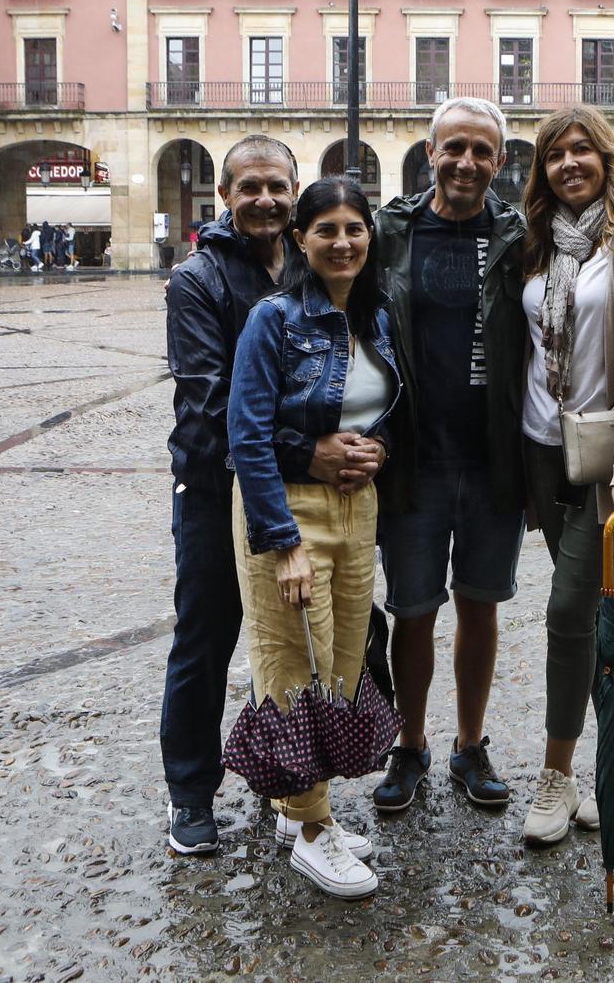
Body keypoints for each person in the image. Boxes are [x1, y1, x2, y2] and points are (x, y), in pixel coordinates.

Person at [228, 176, 398, 899]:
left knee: (339, 664)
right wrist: (283, 541)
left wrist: (378, 448)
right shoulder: (273, 318)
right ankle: (311, 828)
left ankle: (298, 807)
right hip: (289, 510)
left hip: (359, 511)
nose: (342, 240)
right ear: (299, 239)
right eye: (325, 228)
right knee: (292, 661)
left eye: (354, 227)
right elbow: (246, 432)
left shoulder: (374, 316)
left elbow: (379, 408)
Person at [370, 97, 529, 816]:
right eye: (453, 148)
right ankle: (410, 743)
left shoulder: (518, 235)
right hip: (414, 456)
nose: (467, 162)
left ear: (499, 162)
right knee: (412, 608)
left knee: (480, 604)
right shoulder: (391, 233)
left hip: (494, 454)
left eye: (482, 151)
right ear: (428, 152)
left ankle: (469, 742)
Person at [517, 104, 614, 846]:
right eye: (555, 154)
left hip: (603, 457)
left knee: (566, 612)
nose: (570, 162)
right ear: (542, 169)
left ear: (607, 159)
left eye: (583, 150)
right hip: (541, 450)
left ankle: (558, 772)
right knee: (594, 617)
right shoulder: (536, 242)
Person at [160, 135, 299, 858]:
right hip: (216, 486)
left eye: (276, 186)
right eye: (250, 187)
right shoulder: (198, 280)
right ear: (226, 195)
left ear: (294, 189)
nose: (265, 199)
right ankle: (190, 791)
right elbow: (210, 398)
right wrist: (305, 444)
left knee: (288, 641)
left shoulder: (308, 264)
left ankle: (283, 775)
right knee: (205, 637)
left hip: (294, 489)